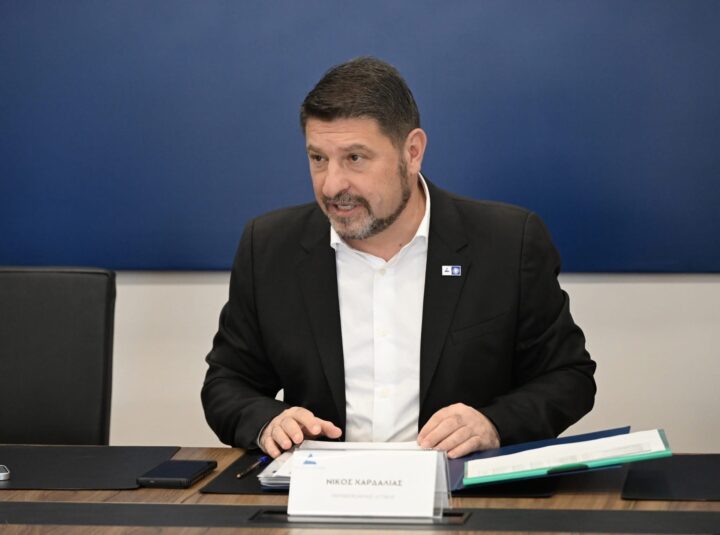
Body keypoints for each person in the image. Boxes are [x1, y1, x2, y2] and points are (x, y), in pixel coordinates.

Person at [202, 57, 596, 459]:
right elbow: (226, 382)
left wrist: (493, 424)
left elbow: (569, 377)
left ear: (412, 152)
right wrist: (268, 421)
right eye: (318, 158)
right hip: (319, 488)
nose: (332, 185)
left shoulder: (507, 243)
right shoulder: (270, 247)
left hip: (460, 488)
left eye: (355, 158)